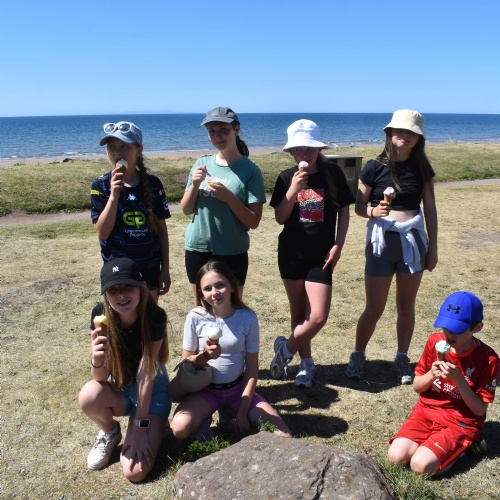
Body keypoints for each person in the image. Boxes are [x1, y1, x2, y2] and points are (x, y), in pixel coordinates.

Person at [346, 110, 438, 385]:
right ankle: (358, 354)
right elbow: (359, 206)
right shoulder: (373, 166)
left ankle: (401, 358)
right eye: (399, 130)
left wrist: (433, 248)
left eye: (411, 132)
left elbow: (430, 209)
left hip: (413, 243)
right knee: (374, 307)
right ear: (389, 133)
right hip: (381, 244)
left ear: (418, 138)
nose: (404, 135)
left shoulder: (422, 167)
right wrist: (373, 211)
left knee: (406, 306)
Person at [269, 119, 354, 388]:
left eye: (309, 148)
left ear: (319, 149)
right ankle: (306, 365)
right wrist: (294, 190)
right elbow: (280, 218)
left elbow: (344, 210)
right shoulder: (286, 177)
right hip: (291, 253)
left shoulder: (333, 174)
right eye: (298, 149)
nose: (304, 153)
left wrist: (338, 245)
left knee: (317, 316)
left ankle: (285, 349)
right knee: (298, 312)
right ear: (291, 152)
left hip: (321, 255)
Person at [170, 260, 291, 439]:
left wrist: (243, 411)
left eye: (220, 285)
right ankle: (205, 418)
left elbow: (252, 369)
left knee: (283, 436)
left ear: (232, 286)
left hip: (237, 390)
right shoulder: (195, 317)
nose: (215, 292)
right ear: (201, 294)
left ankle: (228, 418)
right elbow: (186, 365)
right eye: (208, 288)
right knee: (180, 429)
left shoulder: (247, 318)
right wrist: (205, 356)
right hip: (204, 391)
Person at [78, 258, 171, 482]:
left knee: (134, 472)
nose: (121, 295)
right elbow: (100, 378)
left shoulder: (154, 317)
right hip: (121, 391)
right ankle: (110, 432)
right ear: (105, 295)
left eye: (127, 287)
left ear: (141, 286)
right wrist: (97, 357)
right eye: (113, 290)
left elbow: (146, 375)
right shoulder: (100, 316)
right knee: (89, 396)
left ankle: (154, 424)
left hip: (152, 392)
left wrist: (139, 428)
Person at [387, 291, 499, 475]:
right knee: (395, 457)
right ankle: (434, 446)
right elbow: (417, 387)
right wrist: (432, 374)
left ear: (477, 328)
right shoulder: (434, 342)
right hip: (426, 412)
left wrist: (459, 380)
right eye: (445, 327)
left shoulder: (488, 359)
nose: (449, 334)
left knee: (420, 466)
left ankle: (467, 447)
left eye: (457, 329)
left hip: (460, 421)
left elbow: (479, 410)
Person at [181, 107, 266, 300]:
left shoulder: (250, 171)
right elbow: (186, 209)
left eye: (223, 130)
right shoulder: (201, 164)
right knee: (202, 309)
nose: (217, 136)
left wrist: (229, 198)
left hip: (232, 249)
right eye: (212, 131)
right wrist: (195, 184)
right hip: (198, 247)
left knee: (233, 309)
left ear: (236, 129)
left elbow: (253, 221)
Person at [91, 121, 171, 303]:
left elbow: (161, 229)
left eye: (124, 147)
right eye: (112, 147)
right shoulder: (100, 185)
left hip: (149, 265)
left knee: (149, 316)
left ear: (139, 150)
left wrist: (165, 269)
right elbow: (102, 232)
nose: (117, 153)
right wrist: (114, 195)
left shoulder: (153, 184)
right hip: (117, 269)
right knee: (123, 315)